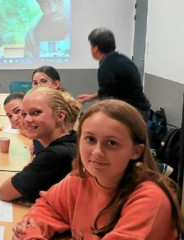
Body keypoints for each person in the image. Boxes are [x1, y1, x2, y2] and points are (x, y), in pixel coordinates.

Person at [12, 99, 182, 240]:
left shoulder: (149, 199)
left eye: (112, 143)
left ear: (136, 151)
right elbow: (48, 207)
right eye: (90, 139)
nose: (97, 152)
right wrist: (33, 232)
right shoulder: (80, 178)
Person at [0, 87, 81, 202]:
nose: (26, 119)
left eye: (36, 112)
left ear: (60, 116)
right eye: (24, 114)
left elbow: (4, 192)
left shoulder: (54, 155)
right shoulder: (74, 137)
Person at [77, 27, 151, 120]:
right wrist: (90, 97)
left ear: (95, 48)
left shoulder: (106, 67)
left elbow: (105, 102)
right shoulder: (121, 59)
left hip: (133, 114)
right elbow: (111, 90)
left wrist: (86, 115)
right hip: (141, 110)